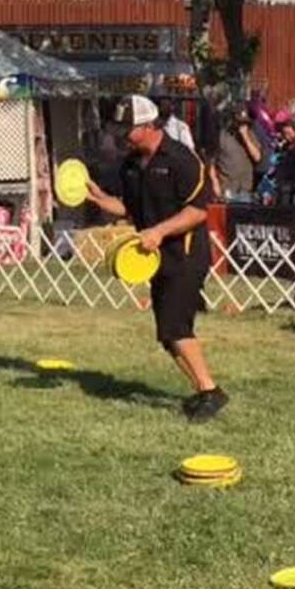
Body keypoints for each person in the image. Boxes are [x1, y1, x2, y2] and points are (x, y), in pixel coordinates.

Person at [84, 95, 228, 422]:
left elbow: (196, 211)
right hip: (153, 256)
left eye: (128, 128)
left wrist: (160, 231)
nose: (122, 135)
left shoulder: (182, 160)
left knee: (175, 326)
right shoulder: (131, 164)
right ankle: (203, 391)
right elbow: (130, 209)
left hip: (186, 255)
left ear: (150, 126)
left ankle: (210, 391)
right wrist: (101, 199)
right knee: (167, 334)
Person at [211, 108, 262, 202]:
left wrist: (245, 136)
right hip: (226, 188)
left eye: (245, 123)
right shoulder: (222, 136)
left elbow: (257, 157)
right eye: (240, 123)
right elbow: (211, 162)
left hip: (245, 189)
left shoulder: (250, 135)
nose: (242, 126)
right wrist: (215, 183)